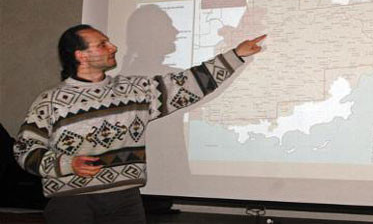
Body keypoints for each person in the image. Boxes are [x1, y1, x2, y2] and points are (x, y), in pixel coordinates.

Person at [13, 24, 266, 224]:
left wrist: (235, 55)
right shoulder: (51, 101)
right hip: (72, 203)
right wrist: (67, 164)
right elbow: (24, 151)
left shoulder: (134, 90)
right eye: (102, 44)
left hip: (126, 200)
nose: (113, 47)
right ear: (81, 55)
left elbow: (187, 83)